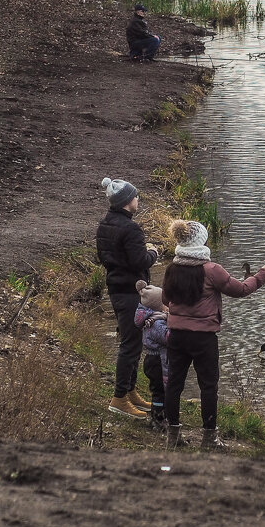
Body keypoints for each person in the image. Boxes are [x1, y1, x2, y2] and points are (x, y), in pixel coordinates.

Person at [162, 220, 265, 448]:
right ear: (200, 242)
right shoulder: (212, 270)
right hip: (203, 338)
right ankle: (209, 439)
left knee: (174, 384)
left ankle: (172, 437)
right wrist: (262, 274)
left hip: (176, 335)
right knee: (208, 386)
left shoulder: (172, 268)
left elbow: (165, 300)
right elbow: (241, 290)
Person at [96, 177, 160, 418]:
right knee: (130, 346)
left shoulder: (105, 224)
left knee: (132, 342)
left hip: (116, 289)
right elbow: (140, 261)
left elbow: (105, 258)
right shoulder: (131, 228)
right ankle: (119, 398)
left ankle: (131, 392)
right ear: (125, 202)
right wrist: (153, 252)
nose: (137, 199)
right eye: (135, 196)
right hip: (131, 292)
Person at [134, 279, 170, 429]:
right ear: (157, 305)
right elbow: (167, 338)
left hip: (152, 359)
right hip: (157, 361)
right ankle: (158, 418)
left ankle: (160, 416)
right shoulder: (155, 323)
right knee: (159, 391)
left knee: (158, 390)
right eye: (164, 302)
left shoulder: (151, 318)